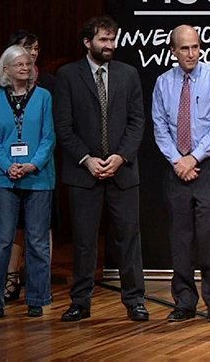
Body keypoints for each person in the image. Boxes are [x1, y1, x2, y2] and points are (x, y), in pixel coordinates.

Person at [54, 16, 148, 322]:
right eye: (104, 40)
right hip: (84, 173)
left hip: (122, 171)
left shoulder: (128, 73)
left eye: (113, 39)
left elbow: (137, 121)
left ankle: (134, 300)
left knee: (128, 239)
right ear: (87, 42)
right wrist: (87, 159)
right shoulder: (67, 75)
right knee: (83, 240)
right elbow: (64, 126)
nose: (110, 45)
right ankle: (80, 301)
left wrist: (121, 157)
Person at [151, 25, 210, 323]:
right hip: (176, 169)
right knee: (180, 239)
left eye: (195, 47)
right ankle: (184, 302)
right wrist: (178, 160)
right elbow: (159, 127)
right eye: (184, 48)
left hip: (209, 166)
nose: (191, 54)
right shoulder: (163, 83)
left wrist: (193, 157)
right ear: (173, 51)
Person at [0, 45, 55, 318]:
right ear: (6, 70)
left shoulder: (44, 96)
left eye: (29, 64)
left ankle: (37, 298)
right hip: (6, 179)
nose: (26, 68)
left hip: (38, 177)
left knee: (37, 242)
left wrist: (31, 164)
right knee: (2, 241)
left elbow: (48, 137)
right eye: (19, 65)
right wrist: (8, 166)